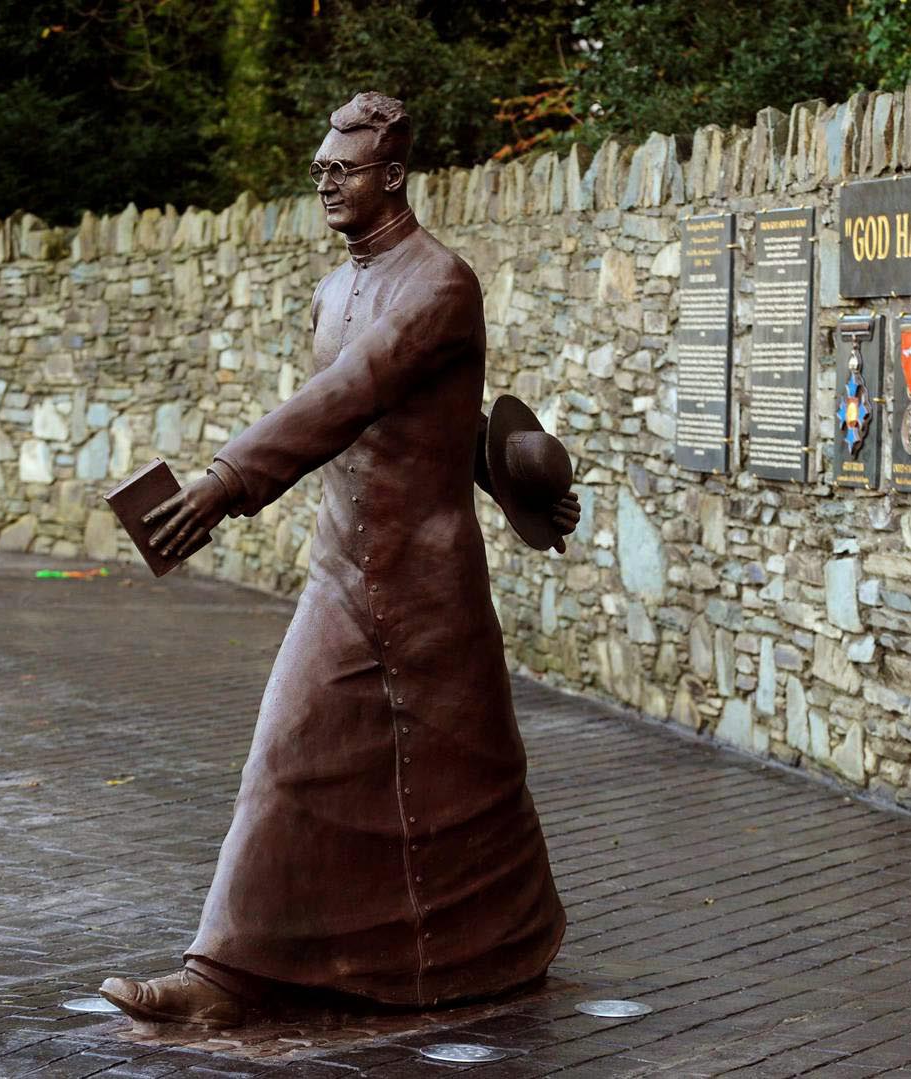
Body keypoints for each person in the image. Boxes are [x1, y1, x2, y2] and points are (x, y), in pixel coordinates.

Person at [98, 91, 579, 1027]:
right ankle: (223, 977)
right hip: (342, 572)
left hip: (425, 583)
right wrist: (496, 461)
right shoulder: (333, 289)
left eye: (341, 167)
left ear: (391, 175)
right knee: (295, 753)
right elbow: (421, 410)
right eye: (319, 166)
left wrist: (224, 481)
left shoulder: (442, 282)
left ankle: (500, 950)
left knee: (463, 782)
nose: (324, 178)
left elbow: (356, 391)